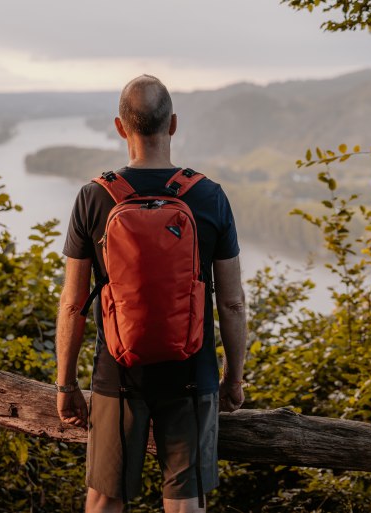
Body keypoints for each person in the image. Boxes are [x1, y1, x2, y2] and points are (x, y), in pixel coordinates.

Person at [55, 74, 247, 513]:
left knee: (105, 499)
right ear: (173, 124)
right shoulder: (209, 196)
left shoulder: (94, 197)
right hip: (191, 373)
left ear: (121, 127)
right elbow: (232, 302)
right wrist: (232, 379)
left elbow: (72, 303)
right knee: (184, 503)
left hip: (117, 375)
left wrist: (66, 383)